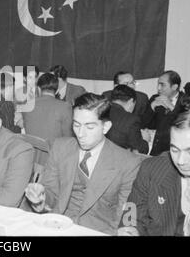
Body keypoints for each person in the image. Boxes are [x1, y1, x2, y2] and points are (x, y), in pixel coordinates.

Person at [25, 93, 142, 235]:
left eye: (89, 127)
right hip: (58, 226)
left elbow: (126, 212)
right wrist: (41, 198)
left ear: (106, 127)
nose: (80, 134)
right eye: (76, 125)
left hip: (99, 231)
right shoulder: (60, 147)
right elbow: (51, 194)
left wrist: (126, 228)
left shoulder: (128, 163)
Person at [118, 108, 190, 236]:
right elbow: (132, 208)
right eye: (175, 150)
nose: (180, 161)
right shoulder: (152, 169)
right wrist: (128, 228)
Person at [23, 73, 73, 147]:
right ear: (56, 91)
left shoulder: (27, 105)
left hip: (31, 153)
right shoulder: (65, 107)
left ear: (39, 89)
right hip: (55, 154)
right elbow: (68, 138)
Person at [144, 70, 185, 156]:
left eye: (162, 85)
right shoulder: (155, 98)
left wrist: (172, 107)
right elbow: (144, 124)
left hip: (176, 150)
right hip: (155, 149)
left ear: (174, 87)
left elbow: (185, 125)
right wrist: (152, 107)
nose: (158, 88)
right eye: (158, 84)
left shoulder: (186, 101)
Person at [106, 85, 149, 154]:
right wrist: (145, 140)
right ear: (131, 101)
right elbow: (139, 150)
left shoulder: (101, 111)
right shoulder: (131, 119)